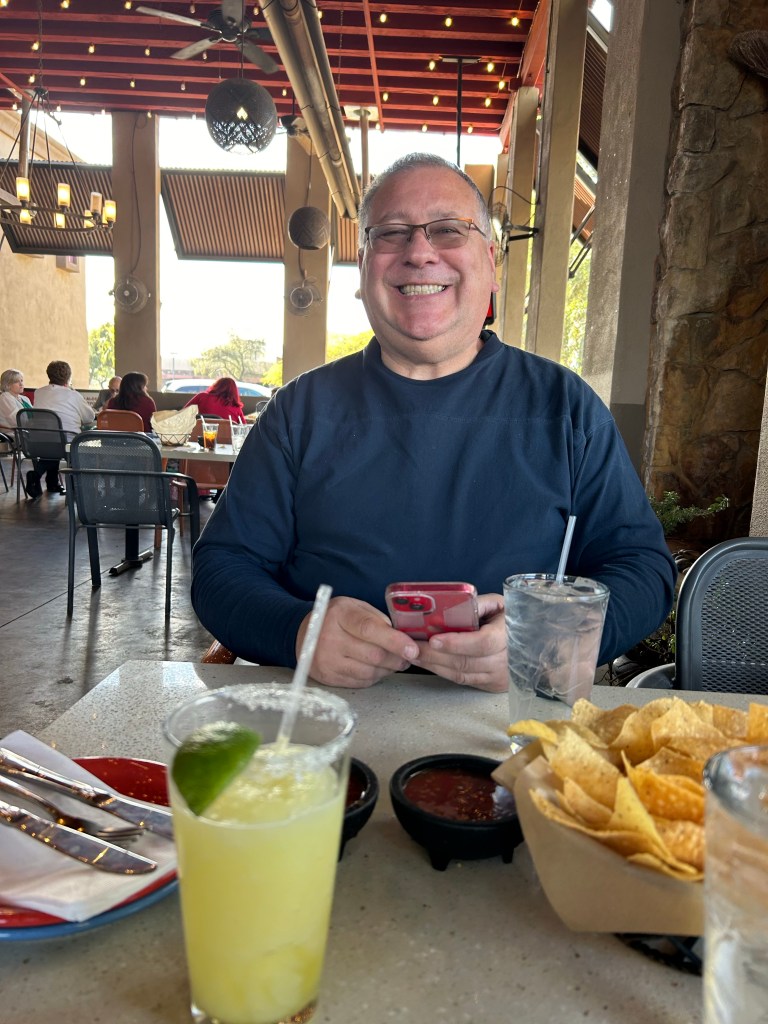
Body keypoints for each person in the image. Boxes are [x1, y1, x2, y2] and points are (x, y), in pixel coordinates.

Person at [192, 153, 677, 692]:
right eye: (392, 233)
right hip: (324, 716)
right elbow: (223, 567)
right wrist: (298, 630)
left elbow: (643, 569)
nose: (420, 252)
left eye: (448, 230)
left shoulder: (567, 408)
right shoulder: (298, 411)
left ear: (491, 262)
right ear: (363, 268)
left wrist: (552, 640)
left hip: (514, 720)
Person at [31, 360, 96, 496]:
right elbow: (89, 417)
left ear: (49, 374)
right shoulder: (73, 394)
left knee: (52, 443)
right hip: (66, 442)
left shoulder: (39, 392)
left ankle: (41, 477)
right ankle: (74, 487)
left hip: (38, 441)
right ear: (68, 377)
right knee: (67, 446)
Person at [0, 368, 31, 432]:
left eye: (21, 380)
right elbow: (16, 421)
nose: (21, 384)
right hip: (14, 434)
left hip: (29, 431)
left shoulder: (25, 398)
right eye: (16, 382)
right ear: (7, 384)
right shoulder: (5, 397)